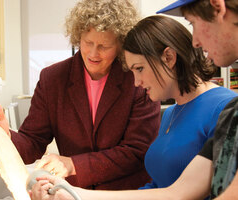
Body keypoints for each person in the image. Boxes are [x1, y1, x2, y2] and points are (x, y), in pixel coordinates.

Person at [29, 12, 238, 200]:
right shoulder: (171, 114)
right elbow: (157, 189)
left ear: (169, 57)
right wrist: (72, 194)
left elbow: (179, 194)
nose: (136, 82)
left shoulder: (224, 108)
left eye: (139, 69)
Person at [0, 0, 161, 190]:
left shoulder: (138, 78)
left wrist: (73, 164)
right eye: (88, 43)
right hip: (75, 193)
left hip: (127, 193)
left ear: (120, 44)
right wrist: (6, 137)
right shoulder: (53, 79)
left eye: (104, 46)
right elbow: (33, 143)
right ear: (78, 36)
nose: (93, 53)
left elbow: (137, 152)